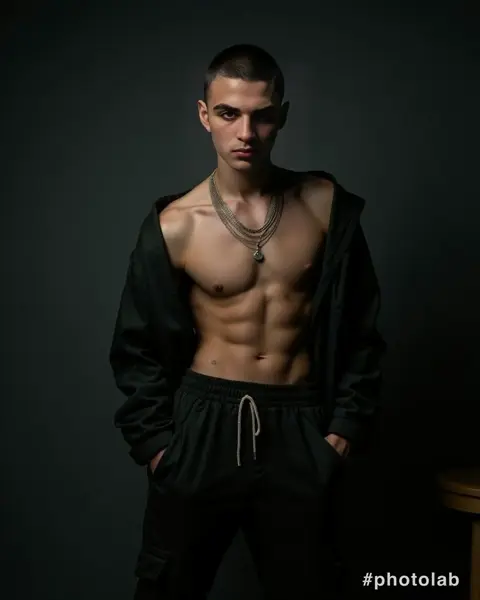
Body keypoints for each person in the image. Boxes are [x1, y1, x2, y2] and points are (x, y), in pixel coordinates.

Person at [109, 43, 386, 600]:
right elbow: (136, 346)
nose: (245, 132)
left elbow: (362, 327)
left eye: (262, 115)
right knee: (168, 587)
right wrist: (159, 446)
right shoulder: (176, 225)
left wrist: (343, 430)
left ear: (282, 116)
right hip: (203, 425)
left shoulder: (326, 207)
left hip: (299, 423)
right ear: (204, 115)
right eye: (228, 113)